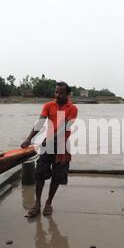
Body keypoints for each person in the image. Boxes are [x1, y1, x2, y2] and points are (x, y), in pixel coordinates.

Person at [21, 82, 78, 217]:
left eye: (61, 93)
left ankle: (48, 202)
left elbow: (65, 127)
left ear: (67, 94)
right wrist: (29, 139)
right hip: (48, 144)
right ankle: (37, 203)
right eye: (56, 92)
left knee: (57, 177)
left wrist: (51, 140)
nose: (57, 95)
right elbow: (39, 124)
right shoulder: (48, 105)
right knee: (39, 174)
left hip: (62, 146)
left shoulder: (73, 108)